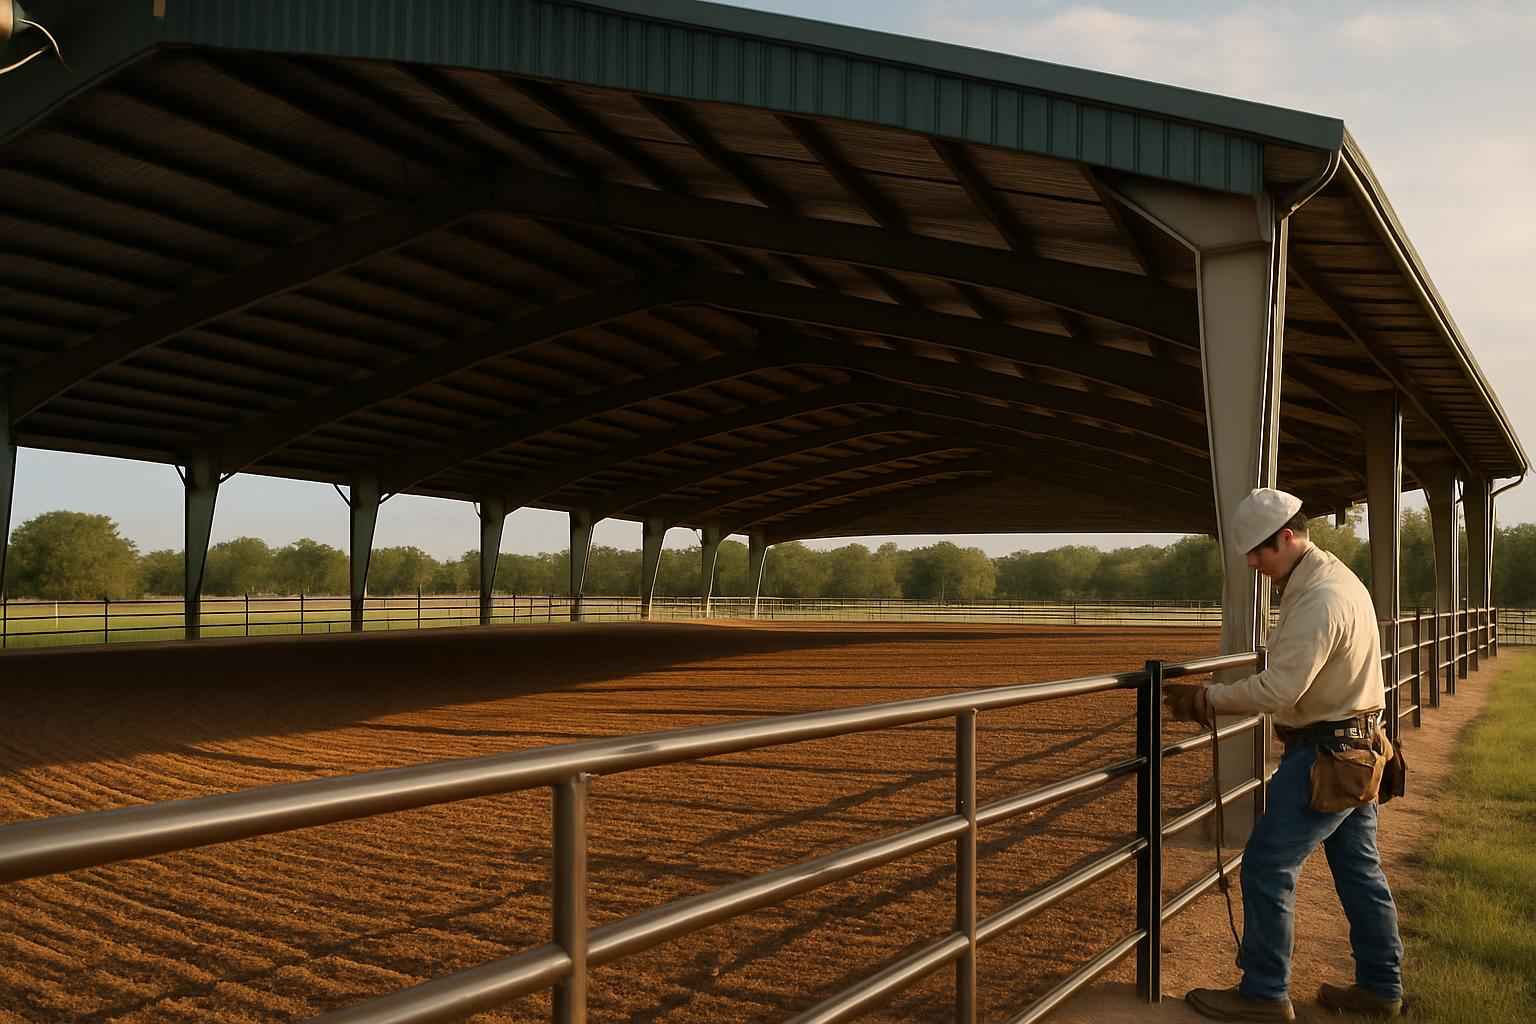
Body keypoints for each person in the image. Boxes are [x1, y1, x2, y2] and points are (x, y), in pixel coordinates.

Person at [1163, 488, 1404, 1022]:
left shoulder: (1320, 599)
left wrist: (1207, 698)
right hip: (1356, 749)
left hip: (1326, 754)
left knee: (1267, 866)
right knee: (1360, 872)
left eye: (1259, 550)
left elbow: (1280, 690)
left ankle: (1265, 993)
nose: (1252, 562)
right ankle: (1381, 987)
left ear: (1288, 537)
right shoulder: (1332, 580)